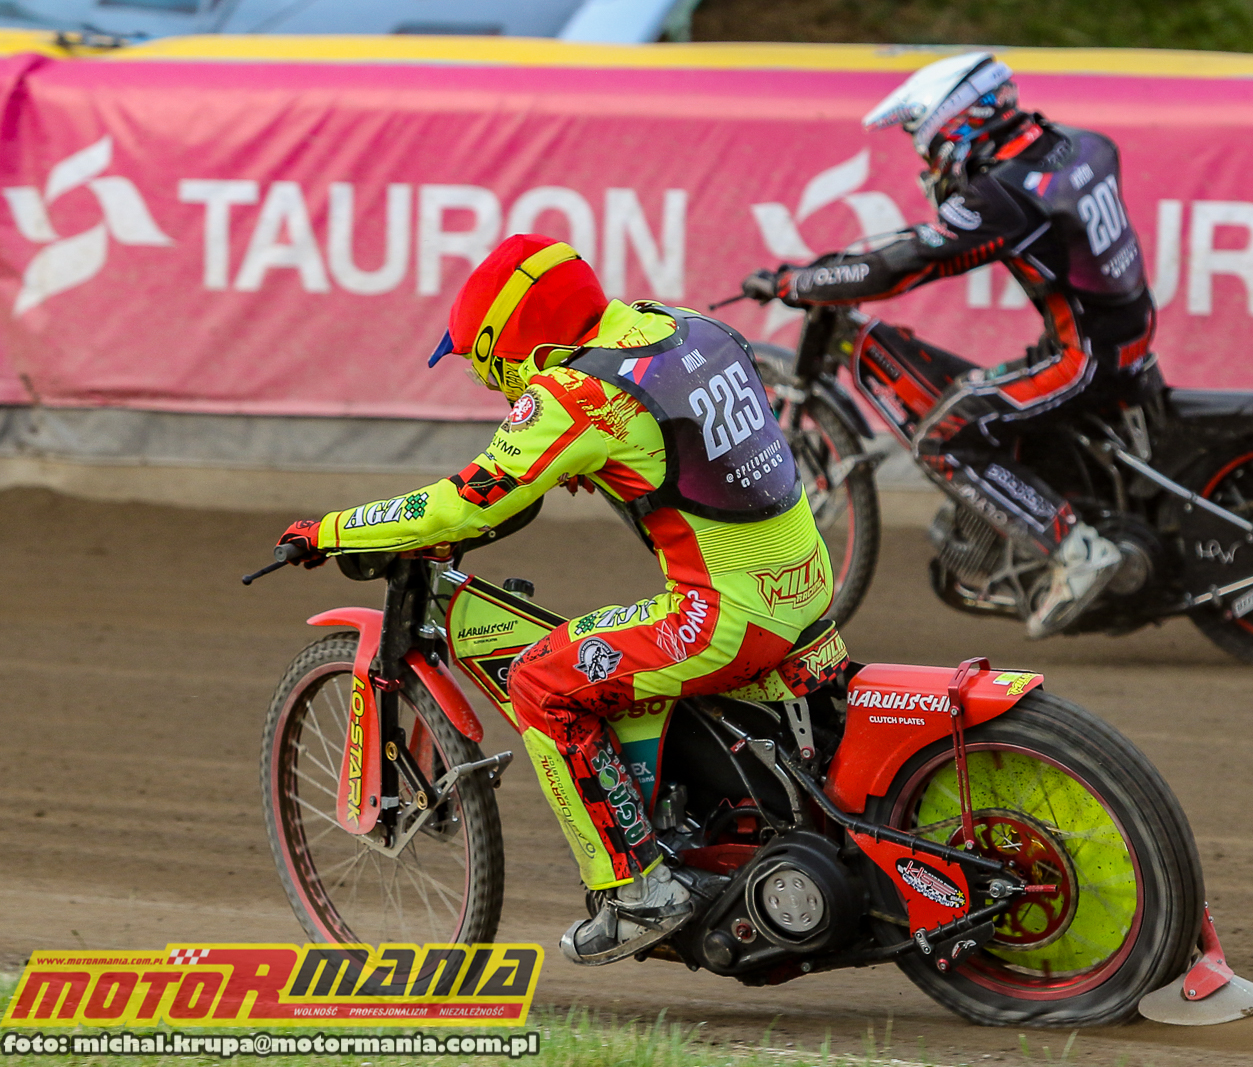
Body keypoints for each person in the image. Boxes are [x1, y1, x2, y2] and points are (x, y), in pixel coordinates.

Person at [274, 234, 834, 965]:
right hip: (805, 580)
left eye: (491, 373)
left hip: (724, 619)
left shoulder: (572, 395)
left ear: (511, 347)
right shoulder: (687, 327)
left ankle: (639, 890)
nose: (500, 394)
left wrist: (329, 531)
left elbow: (459, 507)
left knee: (540, 679)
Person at [745, 52, 1154, 637]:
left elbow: (908, 263)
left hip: (1083, 359)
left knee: (944, 437)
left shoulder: (1003, 196)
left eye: (925, 141)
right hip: (1124, 331)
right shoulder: (1078, 144)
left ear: (956, 124)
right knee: (978, 397)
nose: (927, 158)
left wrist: (799, 283)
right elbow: (927, 244)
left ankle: (1078, 551)